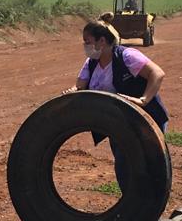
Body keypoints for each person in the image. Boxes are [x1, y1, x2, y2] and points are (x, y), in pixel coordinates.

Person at [64, 20, 167, 187]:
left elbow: (157, 73)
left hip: (146, 119)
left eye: (88, 42)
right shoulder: (91, 63)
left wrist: (143, 100)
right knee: (124, 166)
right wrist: (70, 93)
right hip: (119, 122)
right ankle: (131, 207)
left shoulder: (127, 56)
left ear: (102, 41)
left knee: (150, 164)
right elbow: (79, 87)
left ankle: (151, 206)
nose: (85, 46)